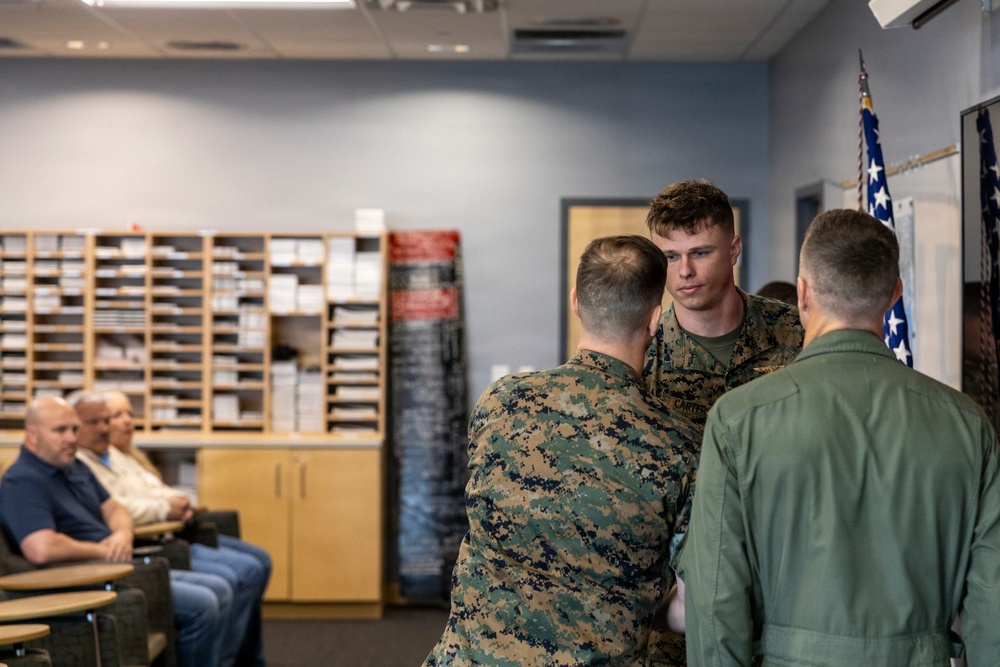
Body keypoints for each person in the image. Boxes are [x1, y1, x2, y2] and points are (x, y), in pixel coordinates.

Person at [679, 209, 1000, 666]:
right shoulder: (966, 424)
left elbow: (715, 599)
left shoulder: (738, 420)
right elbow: (992, 602)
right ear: (895, 294)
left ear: (803, 293)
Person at [424, 235, 698, 666]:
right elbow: (691, 605)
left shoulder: (500, 401)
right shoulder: (680, 446)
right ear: (655, 321)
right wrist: (635, 602)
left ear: (576, 302)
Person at [0, 395, 233, 667]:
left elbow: (115, 509)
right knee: (204, 604)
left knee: (220, 588)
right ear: (32, 435)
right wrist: (103, 550)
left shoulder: (73, 466)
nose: (72, 438)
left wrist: (122, 535)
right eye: (60, 430)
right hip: (85, 579)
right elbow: (41, 548)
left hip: (120, 565)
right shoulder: (23, 481)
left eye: (74, 429)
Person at [69, 390, 269, 667]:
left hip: (166, 537)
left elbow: (149, 488)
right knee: (234, 579)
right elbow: (119, 507)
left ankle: (243, 660)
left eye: (109, 419)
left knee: (255, 564)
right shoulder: (78, 464)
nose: (109, 427)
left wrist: (177, 500)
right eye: (102, 420)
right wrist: (165, 508)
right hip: (146, 549)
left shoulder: (112, 454)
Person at [644, 179, 803, 429]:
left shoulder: (797, 330)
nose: (685, 271)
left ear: (733, 250)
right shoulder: (644, 352)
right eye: (671, 257)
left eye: (700, 253)